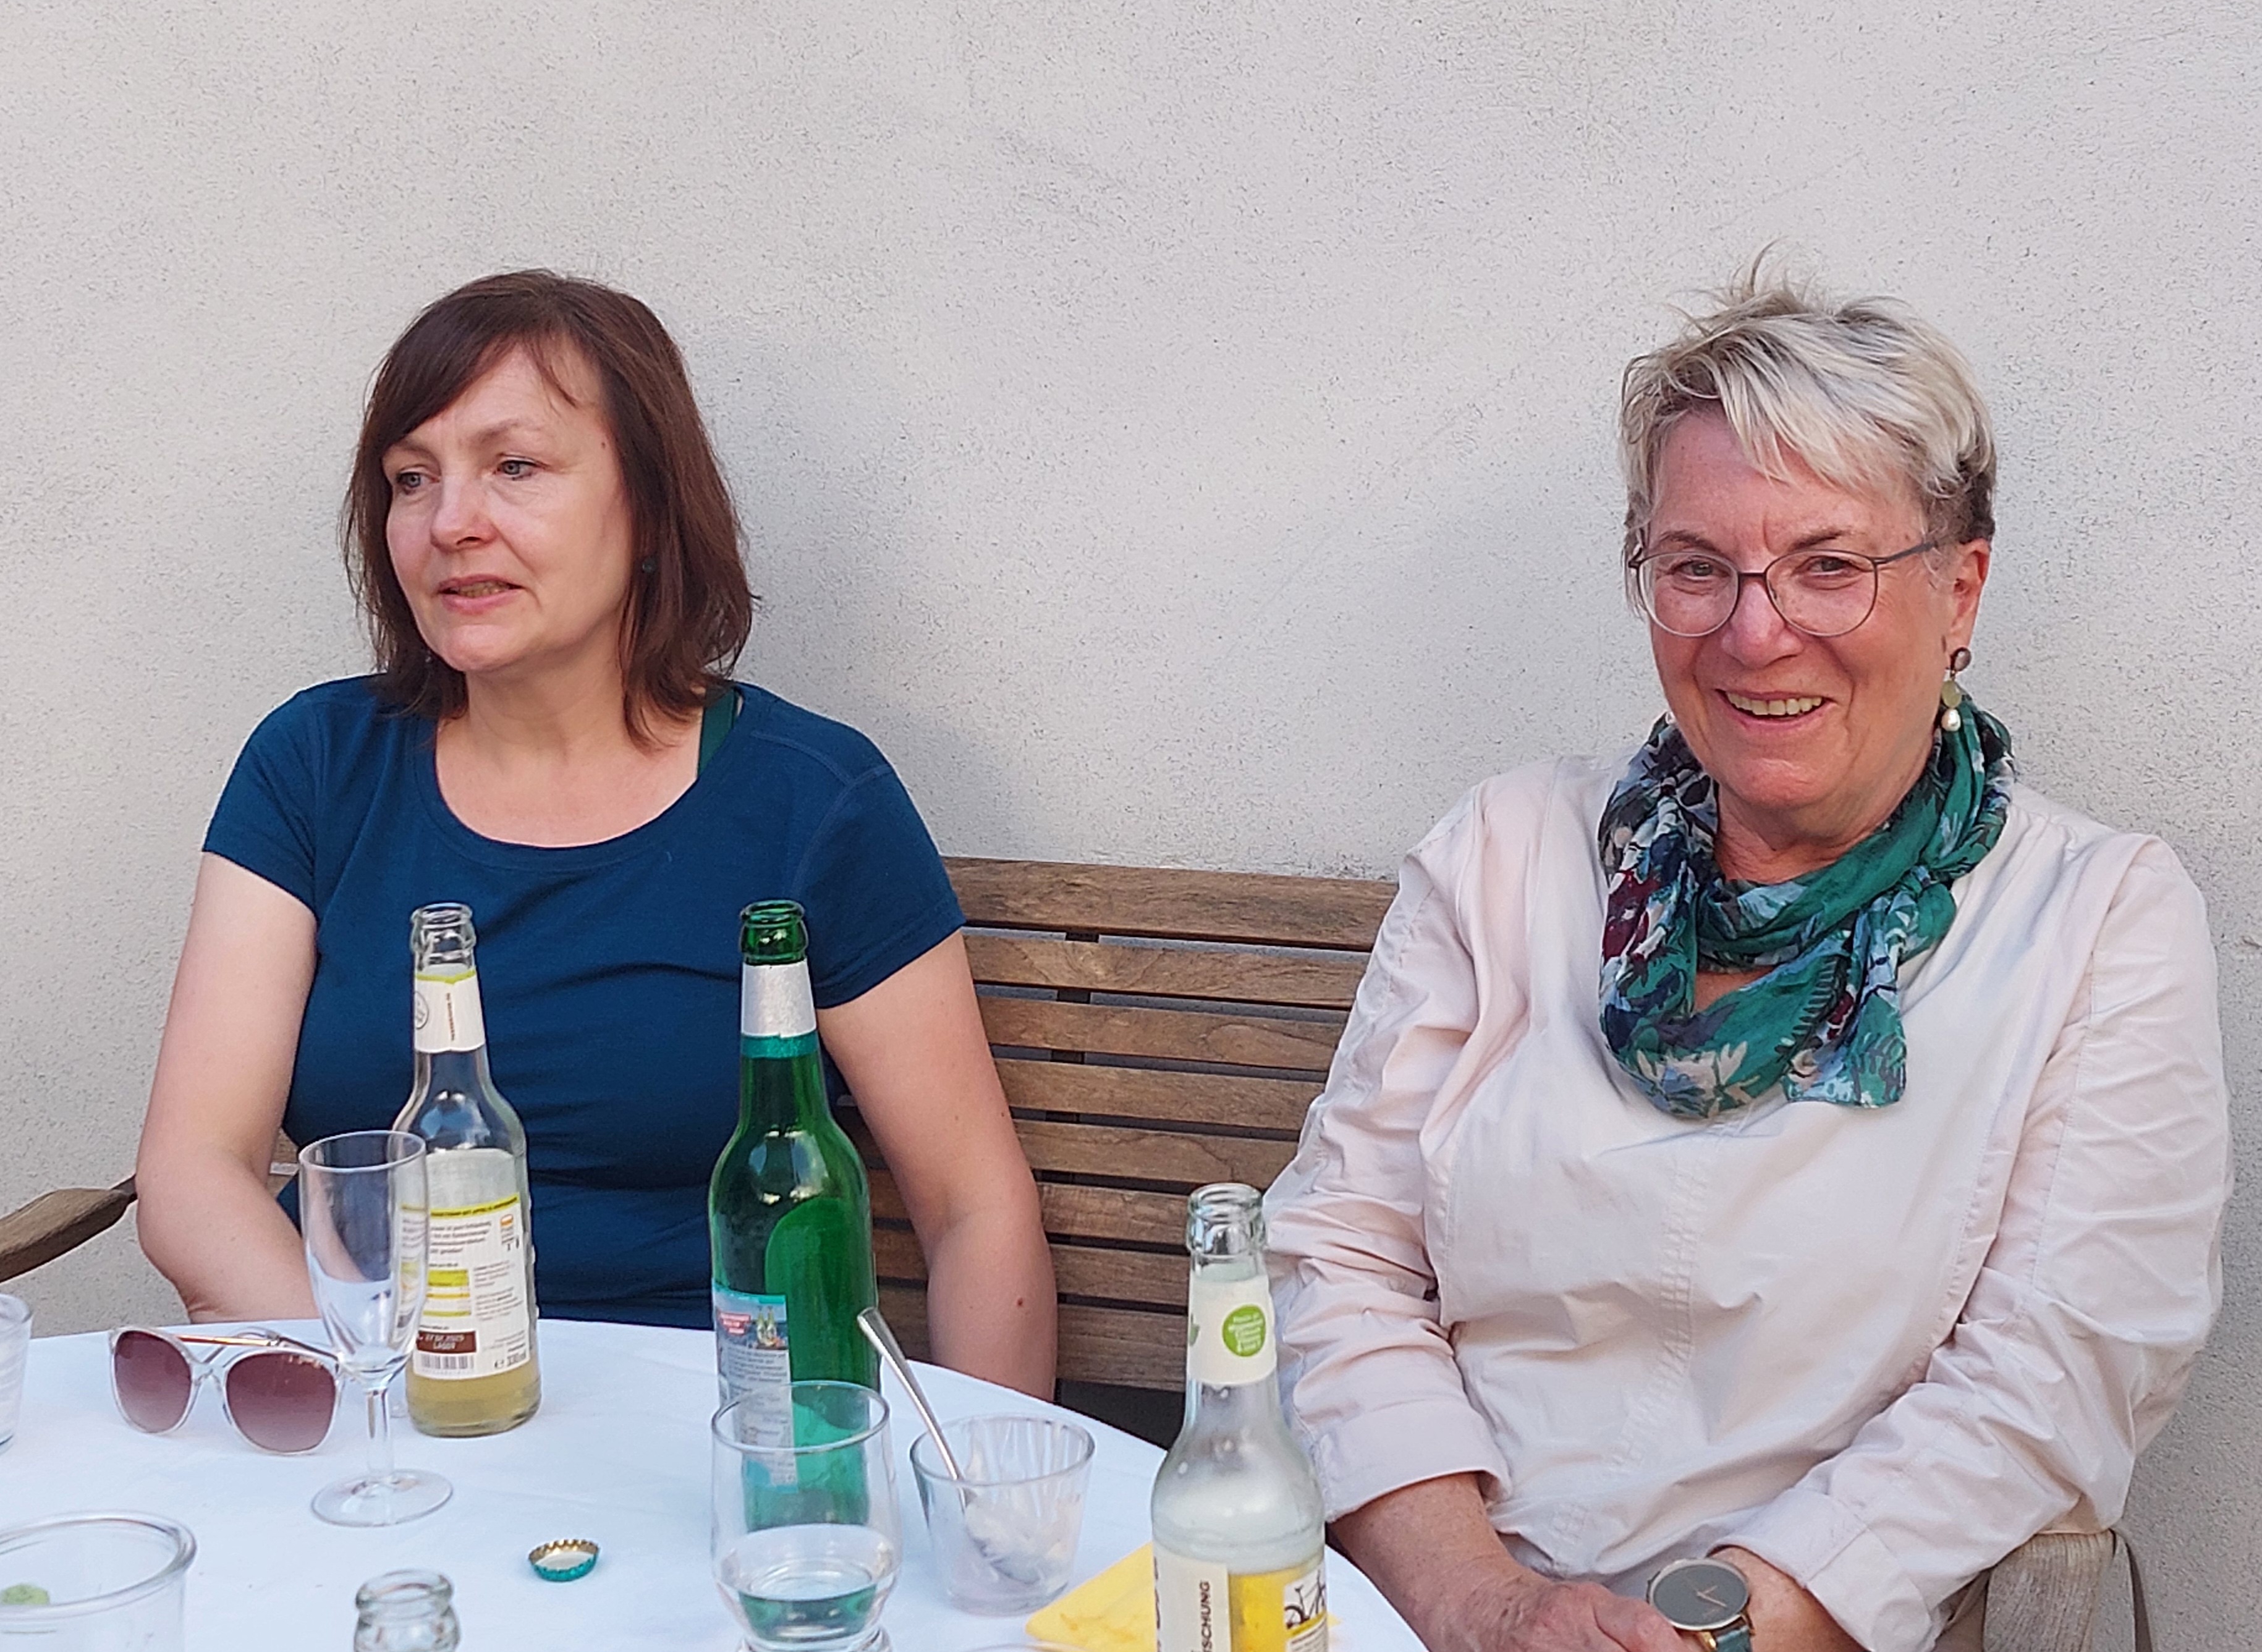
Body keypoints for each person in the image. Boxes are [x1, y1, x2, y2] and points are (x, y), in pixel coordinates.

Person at [1263, 269, 2229, 1651]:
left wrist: (1705, 1631)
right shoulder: (1506, 850)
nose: (1754, 630)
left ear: (1960, 588)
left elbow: (2051, 1378)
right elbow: (1338, 1254)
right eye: (1697, 565)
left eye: (1829, 565)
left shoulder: (2098, 921)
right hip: (1434, 1605)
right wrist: (1485, 1603)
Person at [135, 271, 1056, 1397]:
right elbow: (195, 1172)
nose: (450, 521)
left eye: (515, 466)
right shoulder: (317, 765)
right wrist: (377, 1396)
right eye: (412, 478)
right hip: (372, 1409)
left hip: (699, 1419)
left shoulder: (810, 802)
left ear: (652, 508)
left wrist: (984, 1484)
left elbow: (972, 1209)